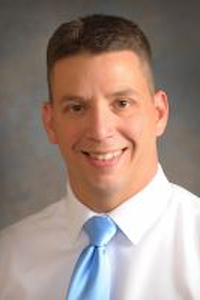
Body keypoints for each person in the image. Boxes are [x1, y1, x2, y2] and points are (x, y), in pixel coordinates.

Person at [0, 14, 200, 300]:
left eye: (121, 103)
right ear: (50, 122)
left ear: (158, 113)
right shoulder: (8, 259)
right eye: (77, 107)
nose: (99, 130)